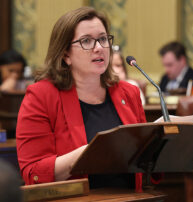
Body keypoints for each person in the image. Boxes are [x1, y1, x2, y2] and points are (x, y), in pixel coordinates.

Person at [16, 7, 147, 191]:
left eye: (102, 39)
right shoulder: (41, 96)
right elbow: (33, 173)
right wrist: (90, 152)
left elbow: (145, 168)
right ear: (65, 54)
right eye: (86, 41)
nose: (99, 47)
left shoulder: (128, 93)